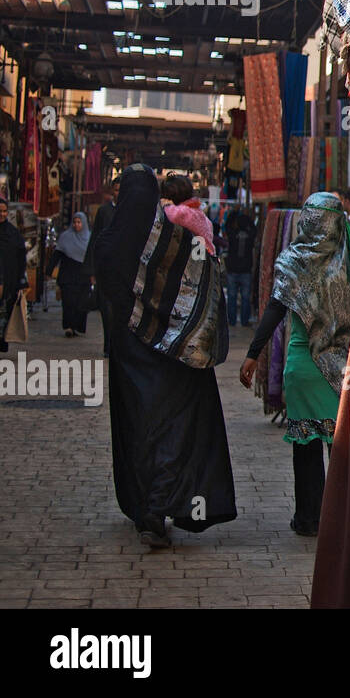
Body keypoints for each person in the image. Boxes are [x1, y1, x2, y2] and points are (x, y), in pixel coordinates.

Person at [94, 164, 237, 548]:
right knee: (174, 432)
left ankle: (146, 509)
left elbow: (105, 290)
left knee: (138, 431)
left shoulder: (108, 245)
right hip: (175, 361)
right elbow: (208, 282)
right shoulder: (176, 240)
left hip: (129, 358)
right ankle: (160, 507)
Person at [239, 192, 350, 536]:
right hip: (344, 367)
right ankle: (342, 519)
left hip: (302, 365)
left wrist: (253, 355)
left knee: (306, 447)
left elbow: (274, 311)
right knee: (340, 447)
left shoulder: (293, 261)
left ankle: (309, 520)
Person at [86, 180, 118, 355]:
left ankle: (117, 346)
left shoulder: (130, 212)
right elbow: (95, 240)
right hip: (105, 269)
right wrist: (92, 270)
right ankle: (108, 346)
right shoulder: (104, 212)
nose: (118, 193)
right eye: (116, 190)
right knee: (106, 310)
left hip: (123, 270)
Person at [48, 211, 92, 337]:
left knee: (81, 303)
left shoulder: (89, 238)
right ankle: (68, 326)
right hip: (68, 276)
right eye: (75, 222)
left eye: (79, 222)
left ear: (83, 223)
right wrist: (49, 271)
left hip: (83, 276)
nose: (77, 225)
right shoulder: (65, 237)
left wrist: (94, 274)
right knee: (68, 302)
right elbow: (57, 255)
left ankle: (77, 327)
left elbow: (93, 258)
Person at [160, 173, 215, 254]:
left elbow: (168, 213)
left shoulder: (183, 212)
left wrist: (164, 204)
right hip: (204, 260)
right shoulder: (198, 213)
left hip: (197, 261)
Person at [222, 205, 257, 327]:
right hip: (245, 270)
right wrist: (247, 217)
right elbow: (254, 228)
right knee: (245, 298)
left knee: (231, 298)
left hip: (232, 269)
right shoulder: (250, 235)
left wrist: (235, 212)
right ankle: (244, 321)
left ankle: (231, 321)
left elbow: (227, 225)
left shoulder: (233, 234)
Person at [0, 199, 27, 353]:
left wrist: (21, 282)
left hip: (9, 281)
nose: (2, 214)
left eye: (4, 211)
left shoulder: (12, 233)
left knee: (4, 315)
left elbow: (20, 257)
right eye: (0, 211)